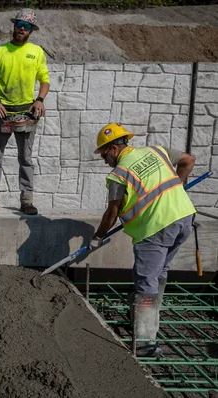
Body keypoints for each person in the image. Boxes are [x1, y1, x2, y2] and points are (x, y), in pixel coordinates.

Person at [91, 123, 196, 357]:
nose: (104, 160)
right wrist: (177, 186)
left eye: (104, 154)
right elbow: (189, 159)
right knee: (159, 273)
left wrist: (97, 238)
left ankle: (146, 343)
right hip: (183, 217)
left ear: (113, 149)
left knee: (146, 282)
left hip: (154, 228)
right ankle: (145, 318)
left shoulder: (118, 175)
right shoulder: (156, 151)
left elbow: (112, 212)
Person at [0, 8, 50, 216]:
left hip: (27, 112)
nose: (21, 29)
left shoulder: (36, 52)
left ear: (31, 31)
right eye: (18, 25)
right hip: (2, 113)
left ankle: (27, 200)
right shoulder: (0, 52)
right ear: (14, 26)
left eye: (25, 27)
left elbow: (44, 80)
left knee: (25, 158)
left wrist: (40, 100)